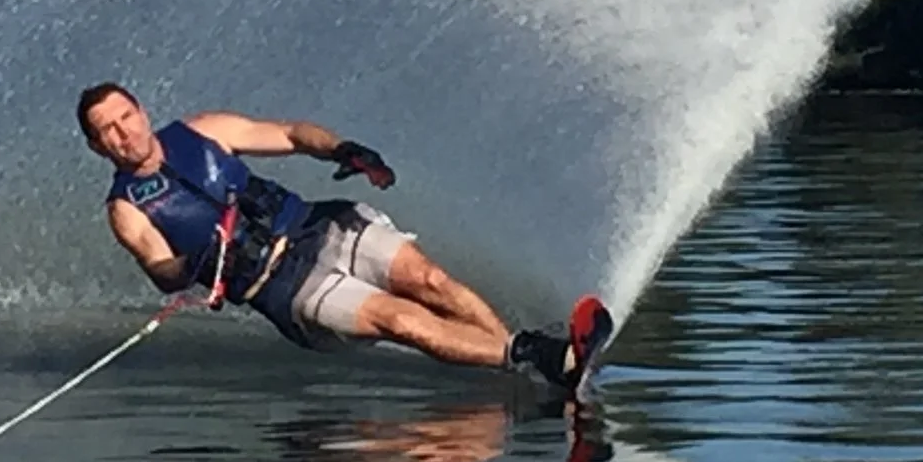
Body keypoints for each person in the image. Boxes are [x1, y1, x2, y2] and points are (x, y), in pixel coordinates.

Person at [76, 82, 610, 408]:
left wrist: (342, 150)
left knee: (429, 281)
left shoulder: (201, 131)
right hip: (282, 287)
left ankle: (532, 365)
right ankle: (539, 356)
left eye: (126, 117)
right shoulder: (126, 209)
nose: (124, 133)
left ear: (142, 112)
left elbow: (291, 134)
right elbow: (162, 271)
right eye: (108, 131)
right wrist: (200, 260)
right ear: (98, 147)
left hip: (317, 226)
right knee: (398, 319)